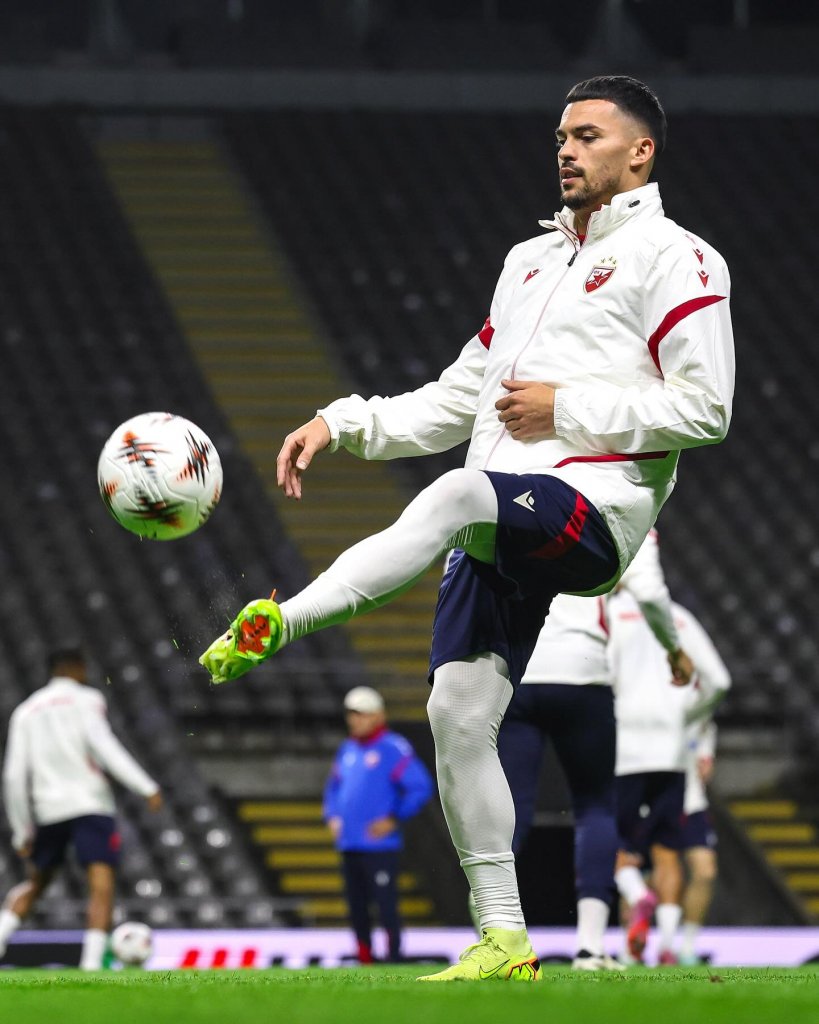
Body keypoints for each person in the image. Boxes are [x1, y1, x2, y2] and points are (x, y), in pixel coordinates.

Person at [200, 75, 734, 981]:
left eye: (587, 135)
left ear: (640, 152)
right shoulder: (527, 262)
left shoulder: (678, 258)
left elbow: (706, 407)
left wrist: (565, 407)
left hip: (593, 511)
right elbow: (461, 397)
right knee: (455, 714)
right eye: (560, 136)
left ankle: (282, 622)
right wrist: (343, 421)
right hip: (502, 514)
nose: (565, 150)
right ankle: (505, 939)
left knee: (455, 495)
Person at [496, 530, 691, 972]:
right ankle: (589, 947)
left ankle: (494, 932)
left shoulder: (509, 501)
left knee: (507, 810)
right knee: (595, 808)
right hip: (583, 672)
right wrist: (673, 648)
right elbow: (649, 590)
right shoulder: (621, 511)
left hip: (516, 672)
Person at [0, 648, 162, 970]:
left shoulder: (26, 711)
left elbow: (14, 775)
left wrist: (21, 831)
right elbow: (104, 746)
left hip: (49, 809)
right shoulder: (87, 700)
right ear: (76, 668)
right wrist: (145, 786)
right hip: (90, 804)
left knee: (36, 884)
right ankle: (91, 965)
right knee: (101, 885)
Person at [608, 593, 730, 965]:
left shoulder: (609, 614)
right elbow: (719, 681)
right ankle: (665, 947)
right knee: (666, 856)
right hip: (673, 757)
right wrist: (685, 721)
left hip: (625, 752)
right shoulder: (679, 618)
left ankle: (635, 924)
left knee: (621, 851)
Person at [323, 685, 434, 964]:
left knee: (385, 904)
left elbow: (420, 787)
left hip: (379, 846)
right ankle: (365, 956)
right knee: (356, 906)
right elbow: (333, 788)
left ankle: (393, 956)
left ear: (378, 715)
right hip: (350, 843)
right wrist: (332, 816)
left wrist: (394, 818)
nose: (354, 720)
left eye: (361, 714)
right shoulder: (348, 748)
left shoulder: (393, 748)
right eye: (352, 714)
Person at [677, 719, 722, 965]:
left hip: (692, 805)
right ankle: (632, 948)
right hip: (650, 802)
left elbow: (705, 768)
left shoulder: (704, 723)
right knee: (646, 877)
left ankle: (687, 947)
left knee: (705, 872)